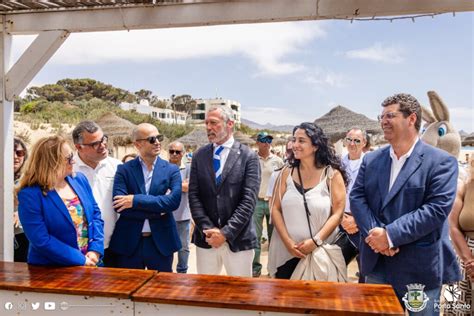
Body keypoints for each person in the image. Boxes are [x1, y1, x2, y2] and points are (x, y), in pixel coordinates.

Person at [350, 93, 461, 315]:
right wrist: (376, 236)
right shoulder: (371, 160)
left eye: (390, 115)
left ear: (411, 119)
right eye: (381, 116)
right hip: (376, 266)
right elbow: (357, 197)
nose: (383, 121)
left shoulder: (441, 162)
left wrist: (389, 236)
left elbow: (435, 209)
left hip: (419, 268)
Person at [268, 122, 347, 281]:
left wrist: (315, 241)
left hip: (320, 254)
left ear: (316, 146)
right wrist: (288, 242)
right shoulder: (286, 173)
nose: (294, 145)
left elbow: (338, 213)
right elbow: (275, 208)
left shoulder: (332, 175)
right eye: (294, 139)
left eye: (301, 141)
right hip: (286, 253)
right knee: (285, 301)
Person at [189, 105, 260, 277]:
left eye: (213, 122)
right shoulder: (199, 155)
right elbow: (194, 195)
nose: (208, 127)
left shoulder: (248, 156)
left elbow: (248, 200)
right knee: (206, 293)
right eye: (206, 123)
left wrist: (225, 233)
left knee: (241, 295)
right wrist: (208, 229)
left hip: (238, 240)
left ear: (230, 124)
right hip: (207, 240)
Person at [17, 136, 104, 266]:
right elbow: (41, 240)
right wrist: (81, 260)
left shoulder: (79, 180)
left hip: (91, 262)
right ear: (51, 162)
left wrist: (95, 250)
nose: (74, 161)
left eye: (72, 156)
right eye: (69, 158)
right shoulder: (30, 194)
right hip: (52, 270)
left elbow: (95, 215)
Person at [109, 123, 181, 271]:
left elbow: (173, 202)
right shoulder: (124, 170)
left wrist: (135, 200)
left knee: (161, 291)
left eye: (159, 137)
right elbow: (119, 205)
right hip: (129, 243)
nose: (158, 142)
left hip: (162, 242)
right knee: (128, 289)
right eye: (152, 139)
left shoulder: (171, 170)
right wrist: (159, 209)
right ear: (137, 144)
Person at [72, 121, 121, 267]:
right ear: (78, 147)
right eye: (95, 143)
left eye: (104, 139)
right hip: (82, 251)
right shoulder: (68, 169)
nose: (103, 145)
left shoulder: (117, 167)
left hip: (115, 246)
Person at [252, 131, 283, 277]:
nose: (267, 142)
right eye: (263, 140)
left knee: (274, 238)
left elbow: (283, 181)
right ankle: (255, 268)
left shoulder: (277, 161)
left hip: (272, 203)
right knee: (256, 237)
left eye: (269, 140)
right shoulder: (252, 159)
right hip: (256, 202)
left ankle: (273, 268)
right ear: (257, 142)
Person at [448, 154, 473, 316]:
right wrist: (469, 261)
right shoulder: (464, 186)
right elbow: (452, 225)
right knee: (459, 310)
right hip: (464, 260)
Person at [340, 128, 367, 280]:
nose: (352, 143)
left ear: (364, 143)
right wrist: (341, 218)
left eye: (357, 140)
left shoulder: (370, 163)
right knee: (337, 263)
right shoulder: (338, 164)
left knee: (364, 266)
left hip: (361, 222)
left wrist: (357, 219)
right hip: (341, 220)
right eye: (349, 139)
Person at [168, 141, 192, 273]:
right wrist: (180, 185)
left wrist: (170, 186)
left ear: (183, 153)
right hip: (165, 214)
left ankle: (182, 271)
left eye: (177, 152)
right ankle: (168, 271)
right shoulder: (162, 167)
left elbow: (190, 187)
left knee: (183, 246)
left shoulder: (189, 168)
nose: (174, 154)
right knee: (166, 246)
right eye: (171, 151)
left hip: (183, 214)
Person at [13, 137, 29, 262]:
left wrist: (20, 213)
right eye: (10, 152)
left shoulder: (31, 179)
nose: (15, 157)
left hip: (24, 236)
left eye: (19, 153)